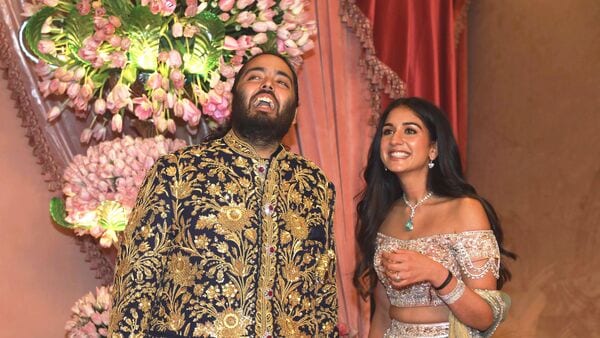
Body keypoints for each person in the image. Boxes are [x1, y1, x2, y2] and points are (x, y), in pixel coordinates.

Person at [108, 52, 338, 337]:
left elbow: (323, 293)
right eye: (255, 77)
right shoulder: (177, 170)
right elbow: (136, 278)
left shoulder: (315, 185)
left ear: (295, 113)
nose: (267, 84)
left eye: (282, 82)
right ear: (234, 98)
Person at [354, 97, 516, 337]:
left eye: (410, 130)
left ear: (434, 149)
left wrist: (436, 273)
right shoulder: (382, 213)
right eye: (388, 131)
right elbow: (383, 313)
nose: (395, 140)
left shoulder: (465, 209)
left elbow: (485, 318)